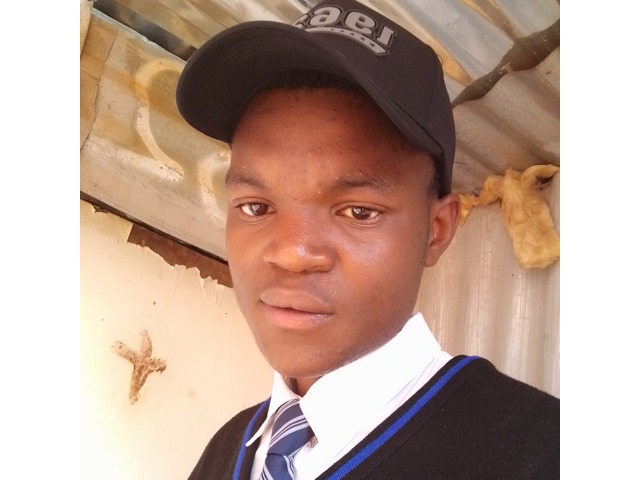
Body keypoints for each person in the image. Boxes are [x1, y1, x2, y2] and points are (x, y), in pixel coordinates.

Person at [175, 0, 560, 478]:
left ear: (436, 231)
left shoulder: (544, 452)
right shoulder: (226, 451)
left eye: (358, 212)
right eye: (256, 207)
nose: (293, 253)